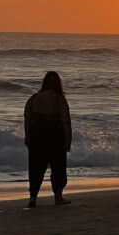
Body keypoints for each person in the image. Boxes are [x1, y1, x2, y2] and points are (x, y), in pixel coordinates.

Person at [24, 71, 72, 208]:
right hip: (55, 138)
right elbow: (66, 122)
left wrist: (27, 137)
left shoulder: (33, 99)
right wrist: (68, 140)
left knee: (35, 168)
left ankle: (33, 197)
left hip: (36, 138)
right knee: (58, 168)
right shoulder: (59, 99)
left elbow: (27, 120)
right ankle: (58, 196)